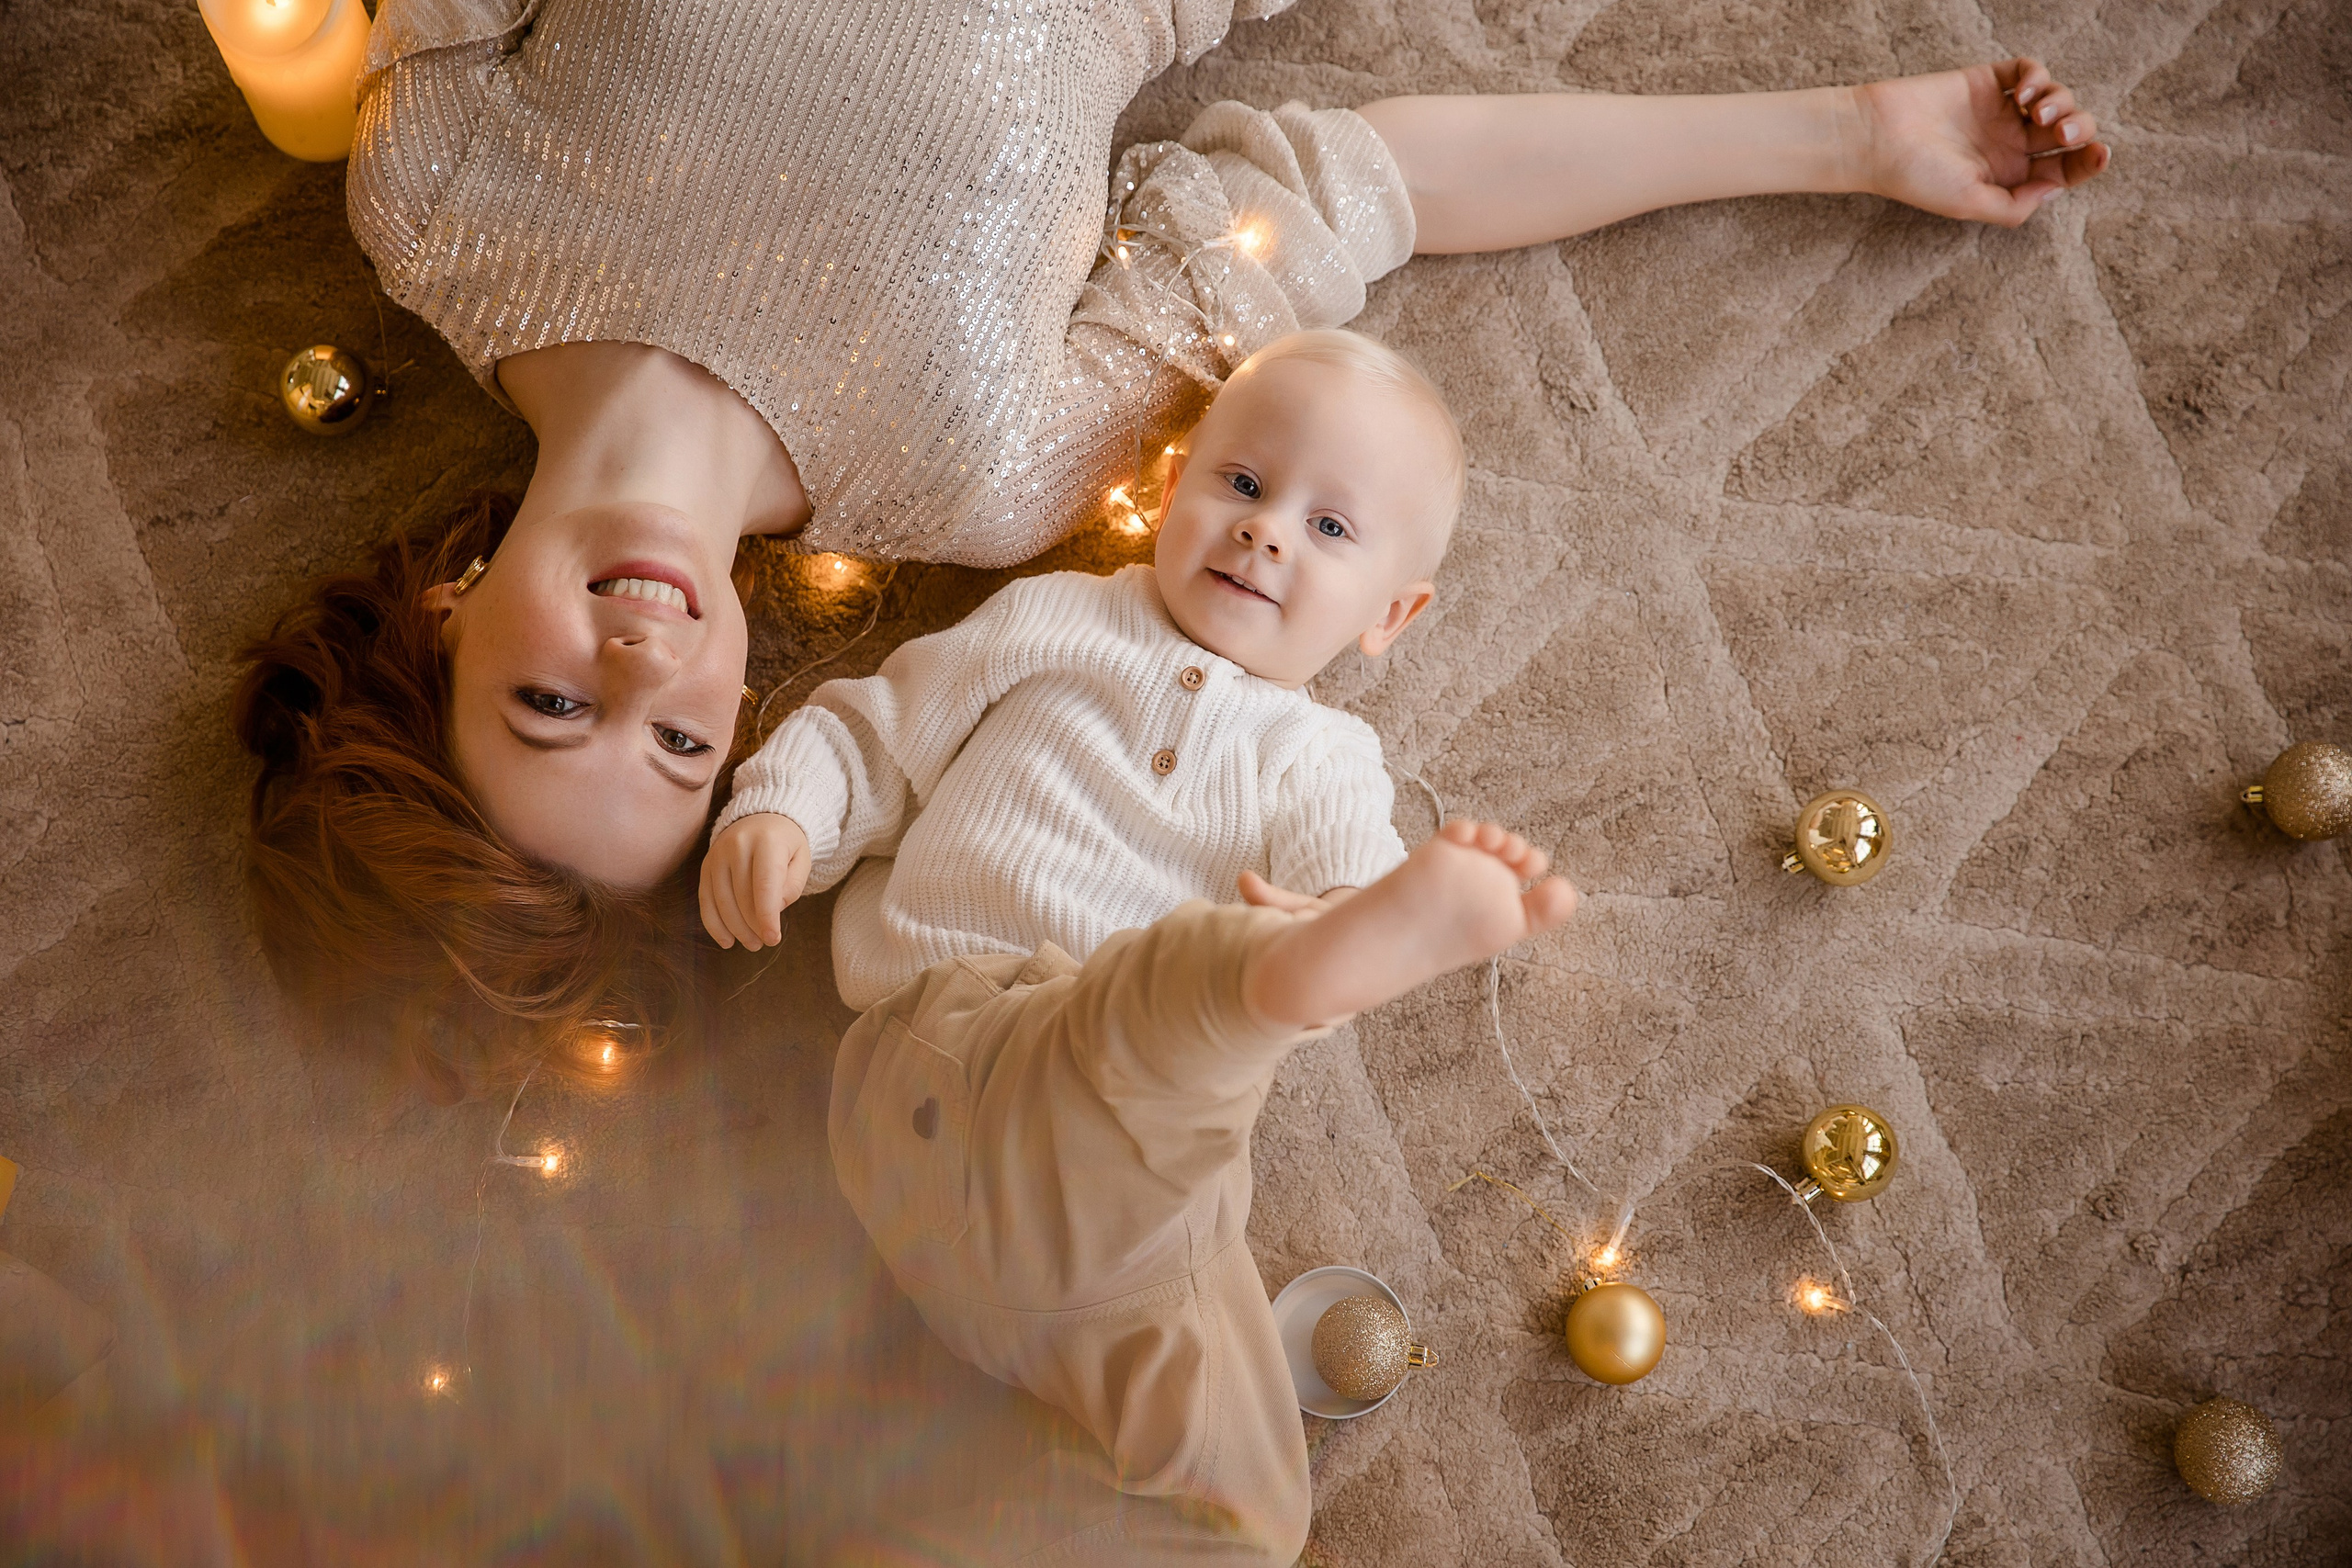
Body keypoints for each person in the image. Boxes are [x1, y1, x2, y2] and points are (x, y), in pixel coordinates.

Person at [237, 0, 2109, 1080]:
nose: (654, 664)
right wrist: (1860, 136)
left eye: (555, 702)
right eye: (680, 745)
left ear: (449, 603)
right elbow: (1363, 185)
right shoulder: (984, 470)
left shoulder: (439, 205)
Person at [699, 330, 1567, 1562]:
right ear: (1172, 493)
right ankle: (1265, 979)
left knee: (1246, 1520)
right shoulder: (1054, 622)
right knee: (1168, 1026)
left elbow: (1344, 876)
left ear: (1392, 615)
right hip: (952, 1050)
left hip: (1101, 1259)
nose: (1267, 532)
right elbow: (879, 737)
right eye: (1247, 487)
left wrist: (1337, 916)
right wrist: (785, 806)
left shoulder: (1318, 758)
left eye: (1331, 528)